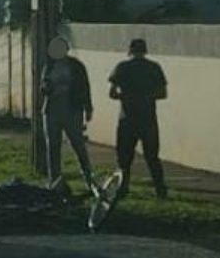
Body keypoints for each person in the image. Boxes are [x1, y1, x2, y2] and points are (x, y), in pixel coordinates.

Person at [108, 38, 168, 200]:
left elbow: (112, 93)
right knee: (152, 157)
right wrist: (146, 96)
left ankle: (122, 189)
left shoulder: (122, 67)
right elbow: (163, 93)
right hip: (148, 118)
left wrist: (126, 96)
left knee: (124, 158)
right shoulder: (154, 68)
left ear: (130, 51)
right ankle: (160, 189)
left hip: (127, 118)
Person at [40, 35, 95, 191]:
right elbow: (43, 89)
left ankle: (89, 179)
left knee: (78, 145)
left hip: (72, 110)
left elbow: (85, 87)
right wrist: (49, 85)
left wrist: (88, 107)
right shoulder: (49, 66)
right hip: (52, 110)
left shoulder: (76, 66)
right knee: (53, 147)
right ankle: (54, 181)